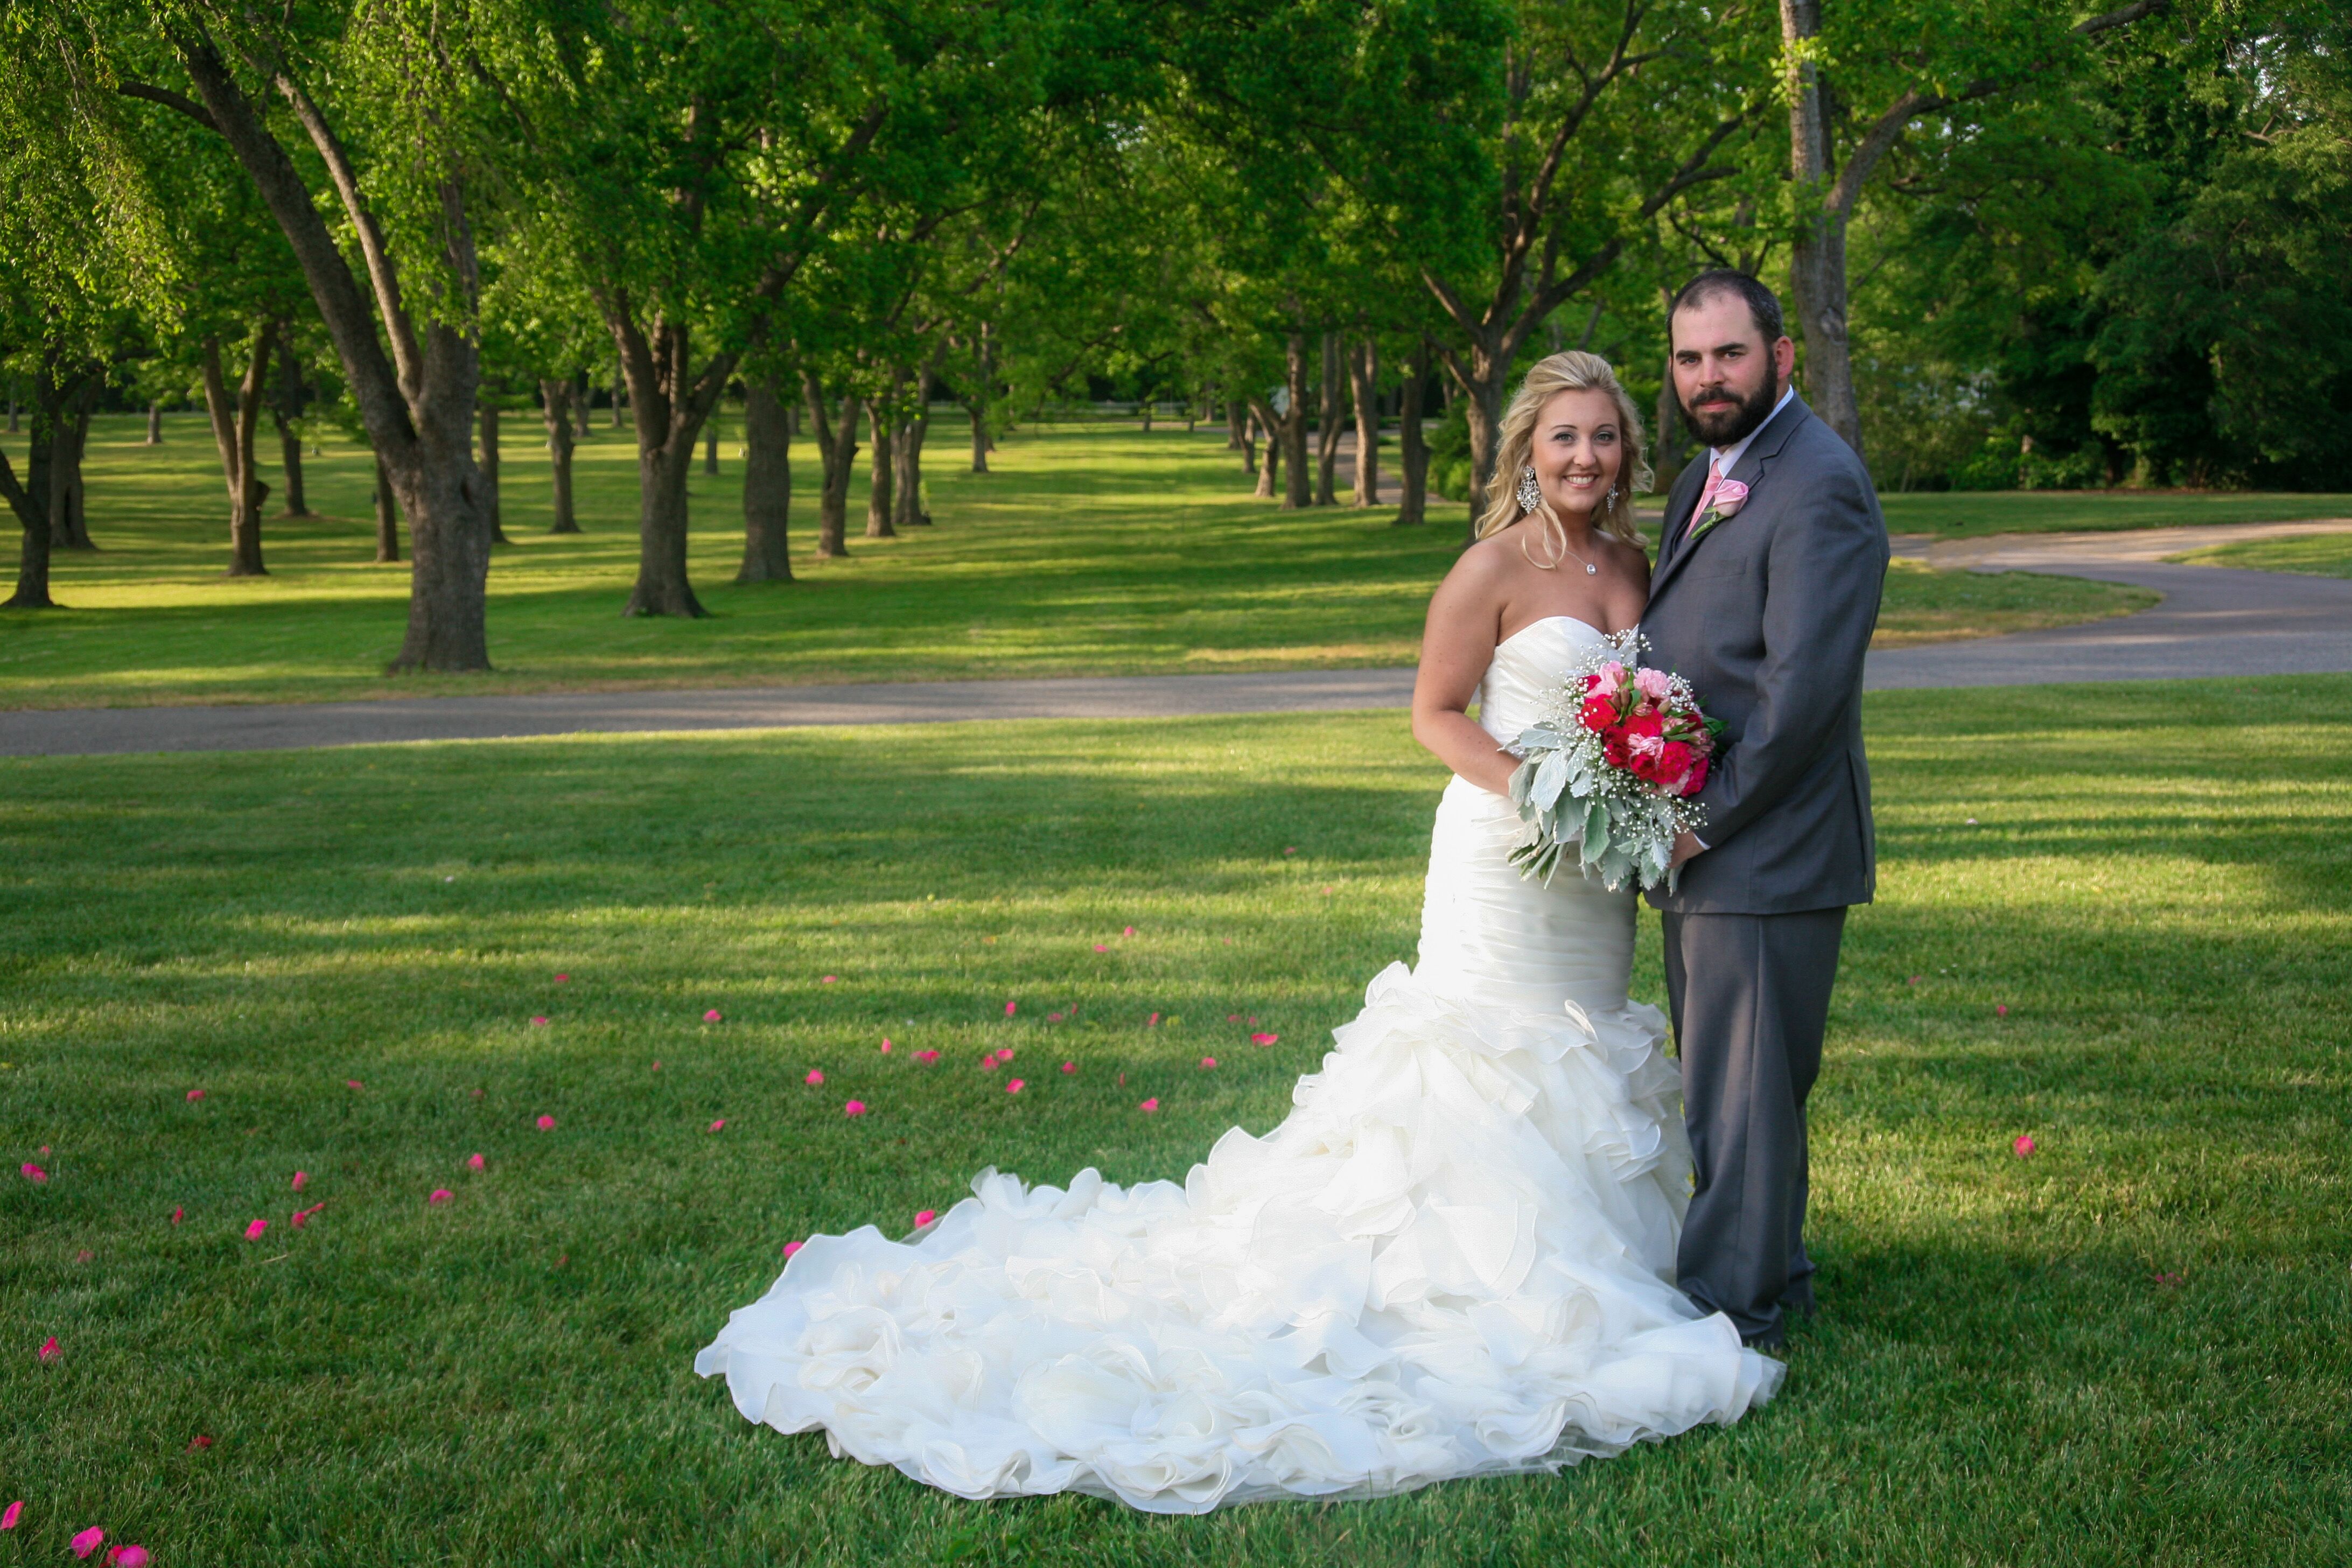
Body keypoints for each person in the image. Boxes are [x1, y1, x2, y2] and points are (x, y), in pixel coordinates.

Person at [692, 351, 1781, 1514]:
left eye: (1605, 437)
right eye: (1563, 437)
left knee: (1581, 1042)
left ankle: (1598, 1257)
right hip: (1504, 863)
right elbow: (1432, 712)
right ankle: (1468, 1281)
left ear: (1628, 450)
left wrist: (1629, 792)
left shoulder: (1638, 562)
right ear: (1525, 449)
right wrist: (1540, 793)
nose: (1585, 457)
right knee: (1488, 1058)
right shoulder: (1491, 568)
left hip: (1595, 880)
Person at [1642, 271, 1889, 1348]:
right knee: (1731, 1089)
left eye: (1729, 355)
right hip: (1708, 838)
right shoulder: (1709, 471)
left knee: (1742, 1096)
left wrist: (1706, 820)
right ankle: (1770, 1272)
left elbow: (1803, 696)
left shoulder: (1818, 481)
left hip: (1766, 840)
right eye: (1690, 359)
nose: (1709, 378)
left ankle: (1727, 1315)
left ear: (1780, 358)